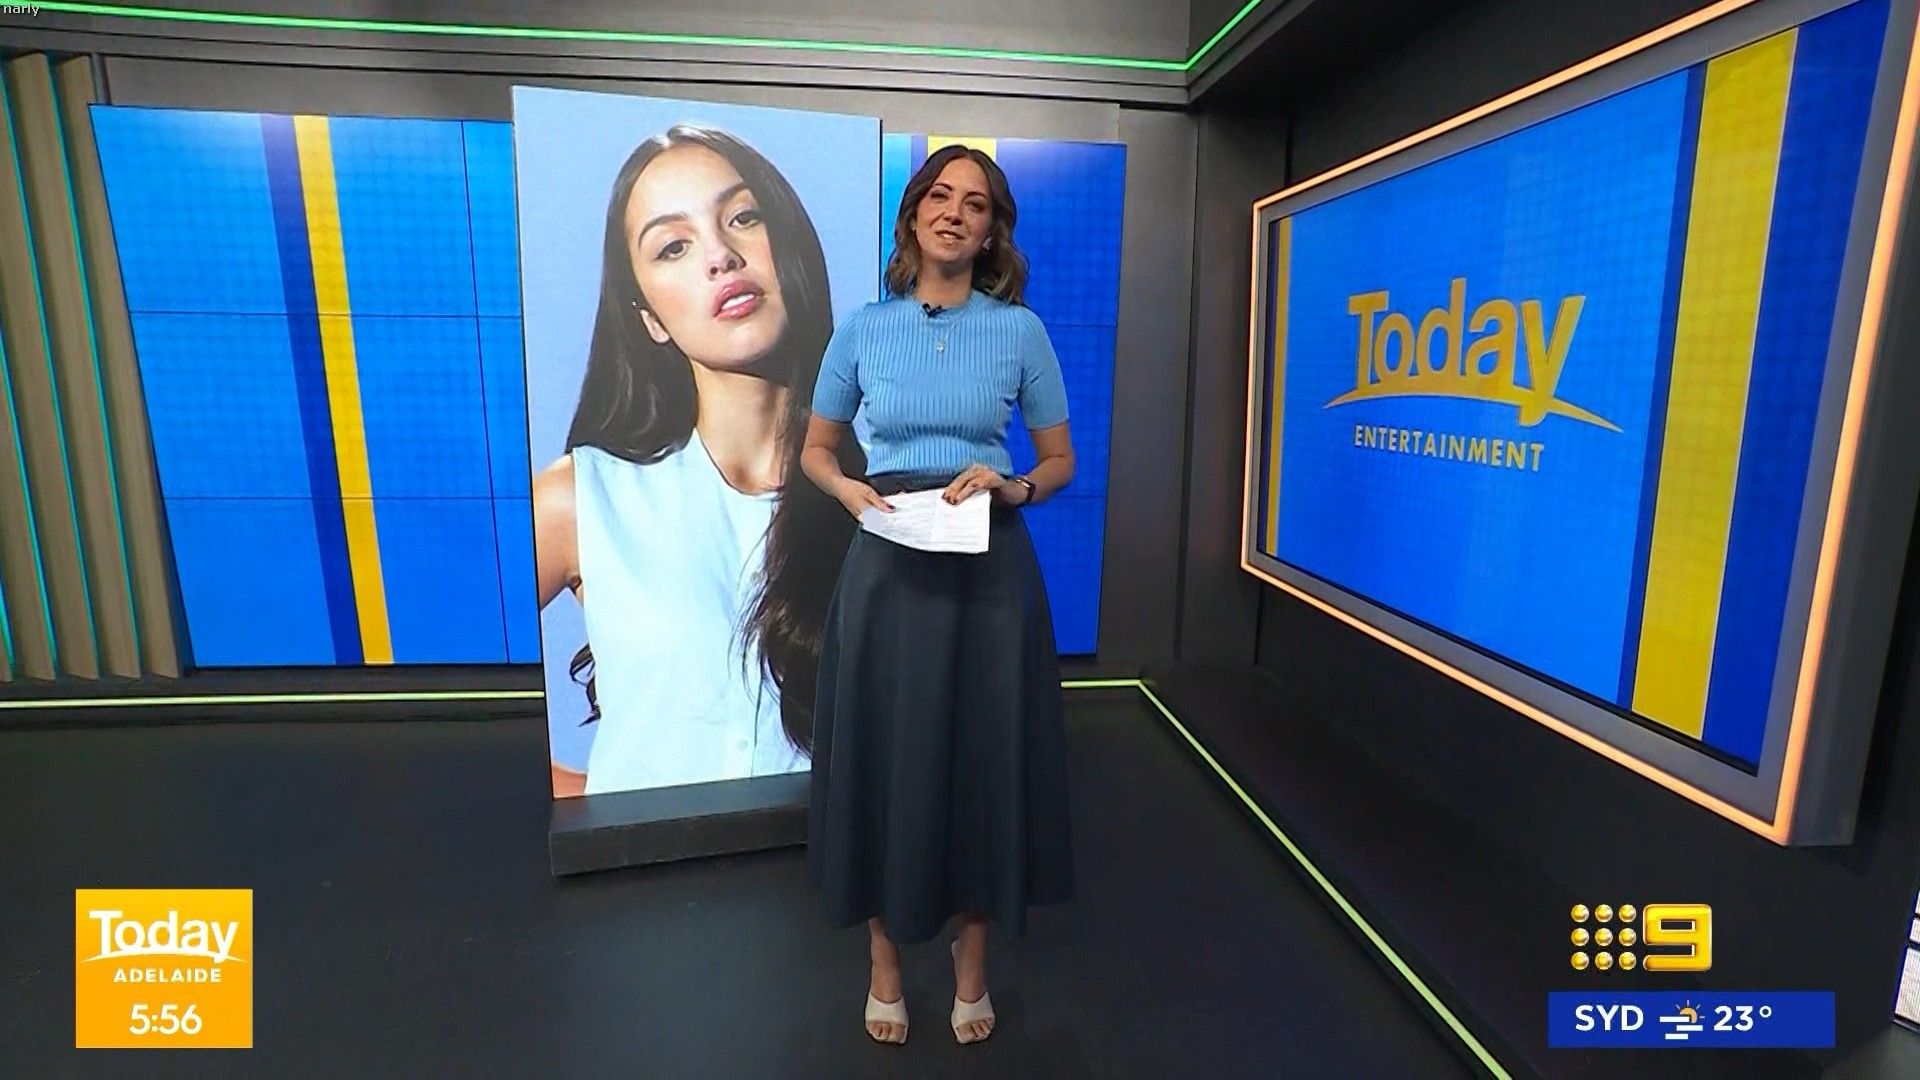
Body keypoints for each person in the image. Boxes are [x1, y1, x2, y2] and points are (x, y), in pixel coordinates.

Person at [800, 144, 1077, 1046]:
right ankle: (884, 963)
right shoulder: (862, 328)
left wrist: (1014, 486)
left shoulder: (1020, 332)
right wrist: (850, 493)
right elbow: (816, 450)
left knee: (984, 758)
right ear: (915, 213)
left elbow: (1059, 460)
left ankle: (971, 967)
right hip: (888, 564)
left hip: (989, 565)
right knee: (888, 757)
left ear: (992, 230)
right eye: (942, 196)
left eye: (977, 204)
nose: (956, 213)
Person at [533, 125, 863, 798]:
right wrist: (593, 804)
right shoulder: (583, 499)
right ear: (649, 317)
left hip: (824, 864)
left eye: (743, 217)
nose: (721, 256)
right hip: (643, 870)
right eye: (674, 246)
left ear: (792, 248)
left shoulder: (878, 501)